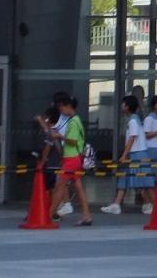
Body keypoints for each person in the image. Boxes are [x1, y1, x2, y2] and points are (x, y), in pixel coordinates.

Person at [102, 95, 154, 214]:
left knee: (145, 182)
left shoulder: (133, 121)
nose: (121, 106)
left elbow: (132, 138)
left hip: (138, 154)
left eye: (123, 104)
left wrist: (124, 155)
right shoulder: (134, 119)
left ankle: (154, 205)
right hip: (134, 153)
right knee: (124, 177)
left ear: (127, 106)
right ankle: (117, 204)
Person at [49, 95, 92, 225]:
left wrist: (59, 136)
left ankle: (48, 215)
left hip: (71, 159)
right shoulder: (77, 120)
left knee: (59, 186)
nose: (61, 111)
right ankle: (86, 215)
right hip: (76, 158)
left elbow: (73, 141)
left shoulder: (73, 122)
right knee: (78, 187)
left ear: (68, 106)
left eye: (61, 107)